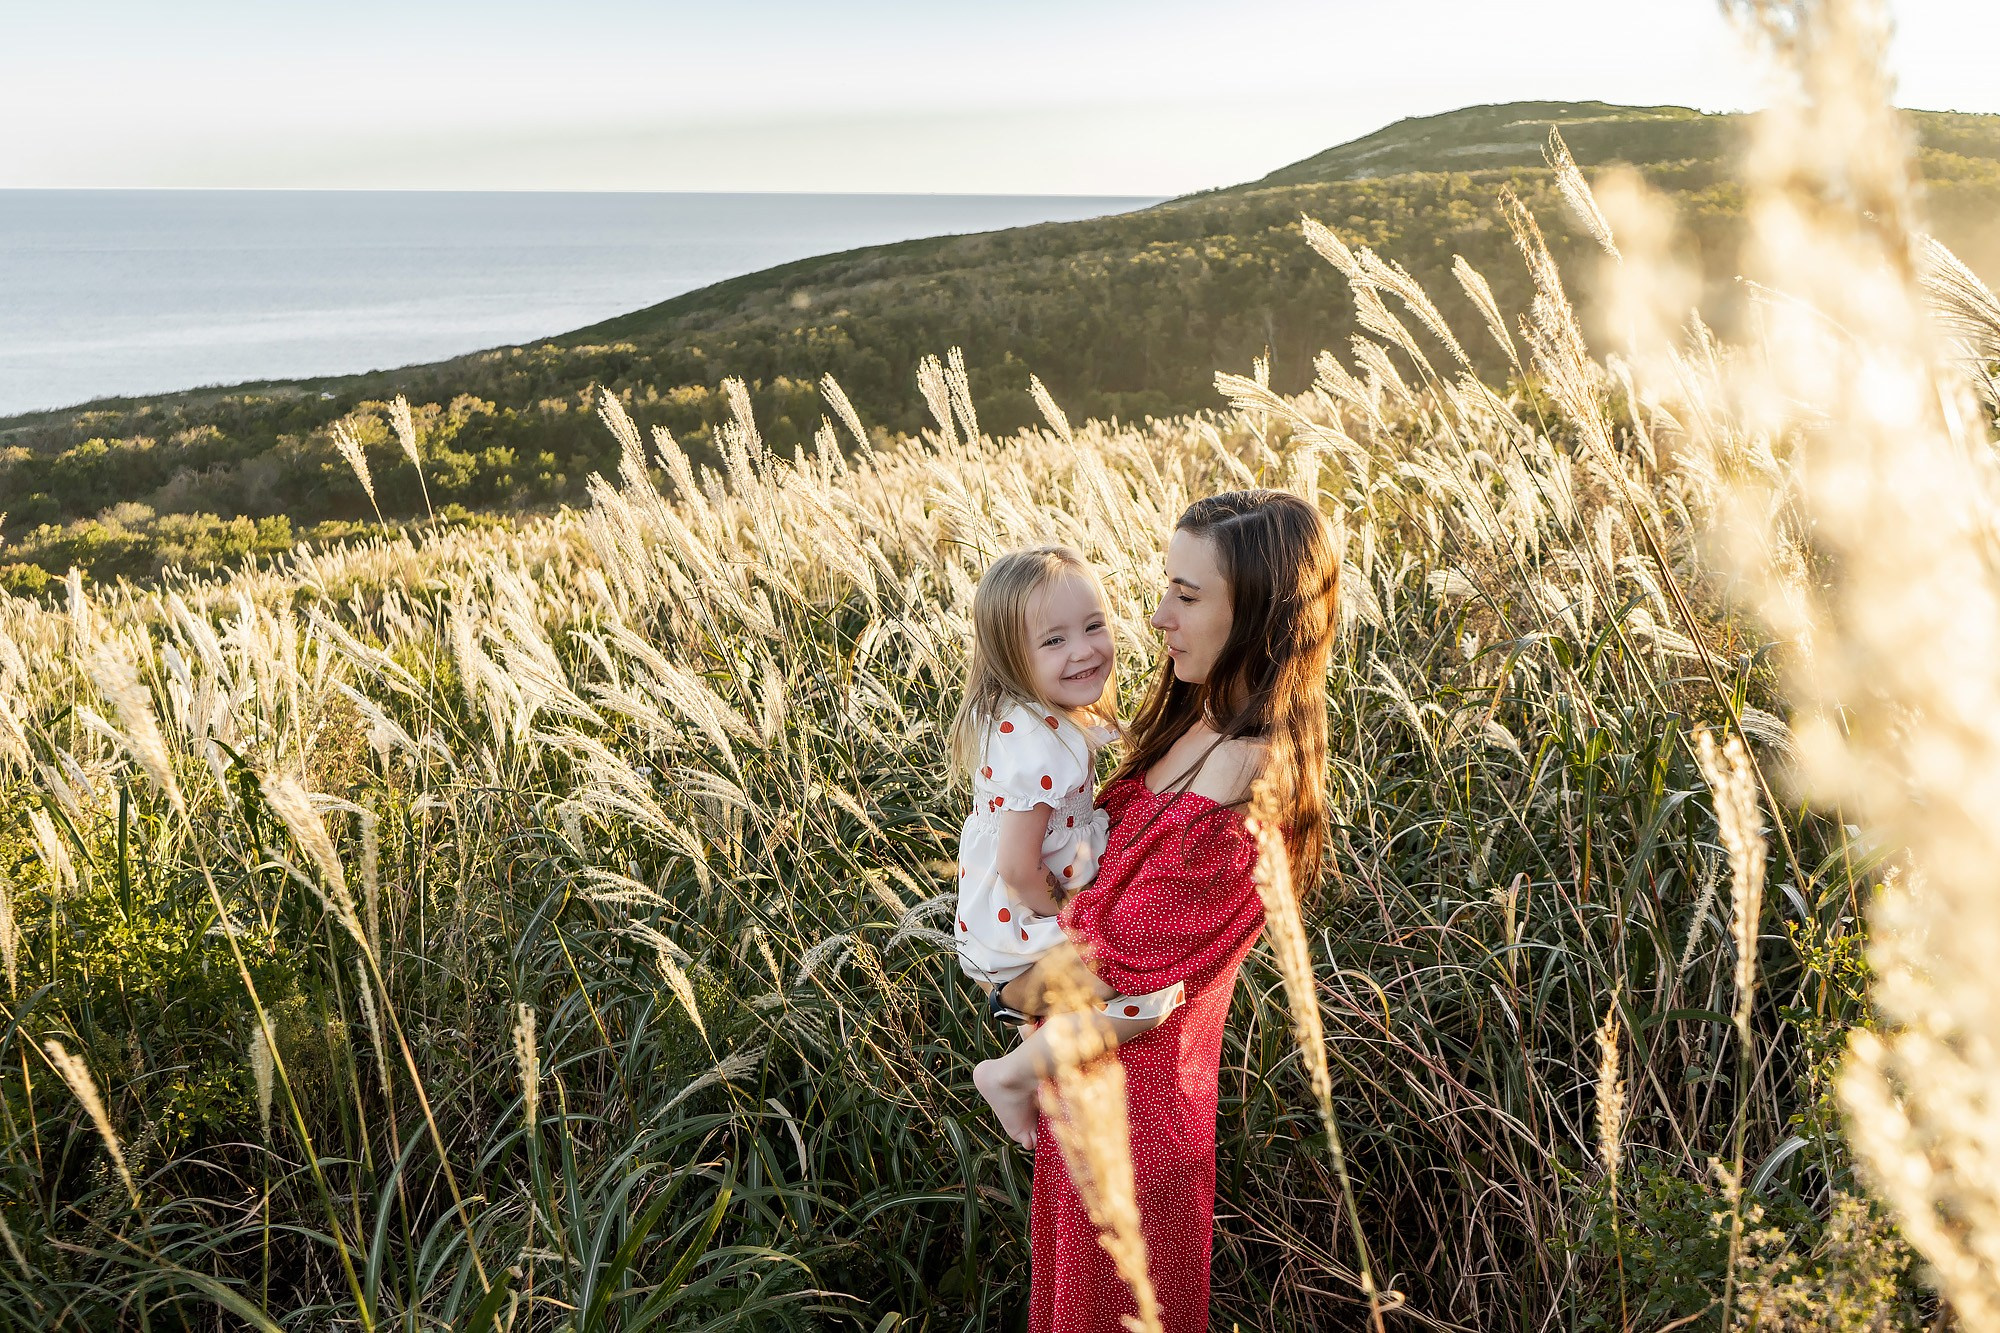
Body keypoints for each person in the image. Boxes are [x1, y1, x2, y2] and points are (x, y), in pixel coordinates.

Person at [990, 490, 1341, 1333]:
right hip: (1082, 1102)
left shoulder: (1248, 776)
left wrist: (1006, 991)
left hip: (1135, 1132)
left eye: (1187, 595)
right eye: (1164, 588)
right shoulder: (1196, 722)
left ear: (1259, 613)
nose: (1156, 617)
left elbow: (1123, 971)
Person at [949, 546, 1188, 1146]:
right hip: (1019, 914)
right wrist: (1072, 916)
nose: (1083, 649)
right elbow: (1014, 864)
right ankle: (1007, 1076)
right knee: (1151, 996)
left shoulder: (1046, 717)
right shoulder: (1037, 746)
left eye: (1092, 626)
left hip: (1025, 904)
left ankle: (1035, 1057)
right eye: (1053, 641)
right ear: (1012, 658)